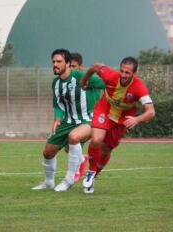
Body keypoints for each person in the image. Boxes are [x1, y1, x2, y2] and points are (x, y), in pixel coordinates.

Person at [32, 48, 104, 192]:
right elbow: (58, 105)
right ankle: (48, 182)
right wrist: (57, 119)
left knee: (74, 137)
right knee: (48, 152)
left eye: (59, 61)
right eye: (53, 61)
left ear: (68, 63)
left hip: (88, 120)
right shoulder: (56, 83)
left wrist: (109, 104)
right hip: (67, 121)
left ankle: (69, 180)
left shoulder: (83, 76)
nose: (55, 64)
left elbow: (107, 84)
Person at [80, 57, 155, 193]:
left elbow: (151, 111)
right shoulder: (110, 75)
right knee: (96, 140)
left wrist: (137, 119)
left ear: (134, 74)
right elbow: (95, 66)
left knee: (106, 150)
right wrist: (84, 80)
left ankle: (94, 177)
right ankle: (90, 173)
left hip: (121, 119)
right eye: (122, 71)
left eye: (127, 73)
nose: (124, 75)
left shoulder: (139, 87)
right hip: (104, 108)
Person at [68, 52, 89, 182]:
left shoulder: (88, 80)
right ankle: (82, 159)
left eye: (74, 66)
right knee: (67, 147)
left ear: (81, 67)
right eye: (69, 65)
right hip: (72, 118)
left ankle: (75, 172)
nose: (71, 68)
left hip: (86, 119)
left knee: (73, 140)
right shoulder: (67, 81)